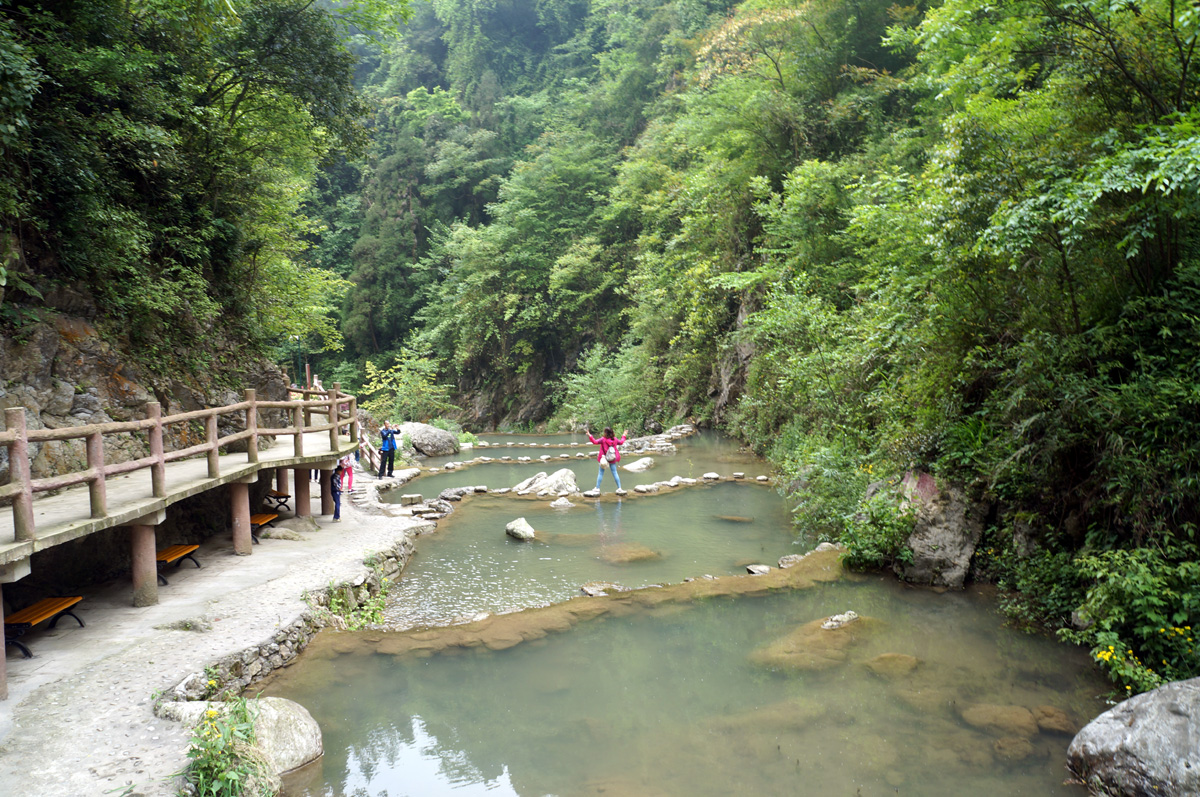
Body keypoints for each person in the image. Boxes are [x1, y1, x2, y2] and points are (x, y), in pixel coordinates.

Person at [588, 425, 628, 492]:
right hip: (612, 458)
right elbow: (621, 442)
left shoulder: (603, 439)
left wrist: (590, 435)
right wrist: (624, 435)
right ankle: (619, 488)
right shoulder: (615, 439)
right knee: (615, 473)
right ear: (612, 432)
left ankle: (597, 488)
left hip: (604, 458)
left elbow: (594, 442)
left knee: (600, 473)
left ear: (605, 433)